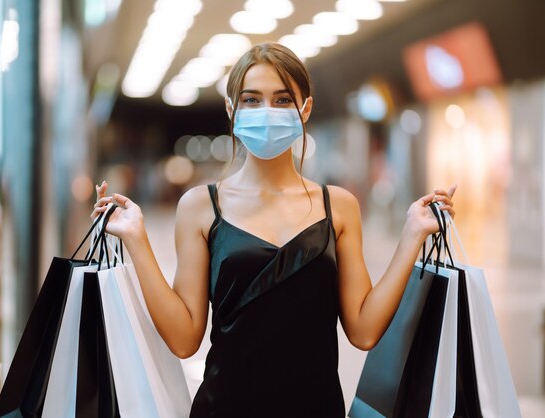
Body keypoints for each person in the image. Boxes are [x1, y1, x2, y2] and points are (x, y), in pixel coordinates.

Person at [92, 43, 456, 418]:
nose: (267, 111)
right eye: (252, 100)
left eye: (282, 100)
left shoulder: (338, 205)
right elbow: (185, 339)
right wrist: (136, 238)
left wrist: (413, 233)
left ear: (305, 110)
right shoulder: (201, 206)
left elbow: (363, 331)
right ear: (232, 111)